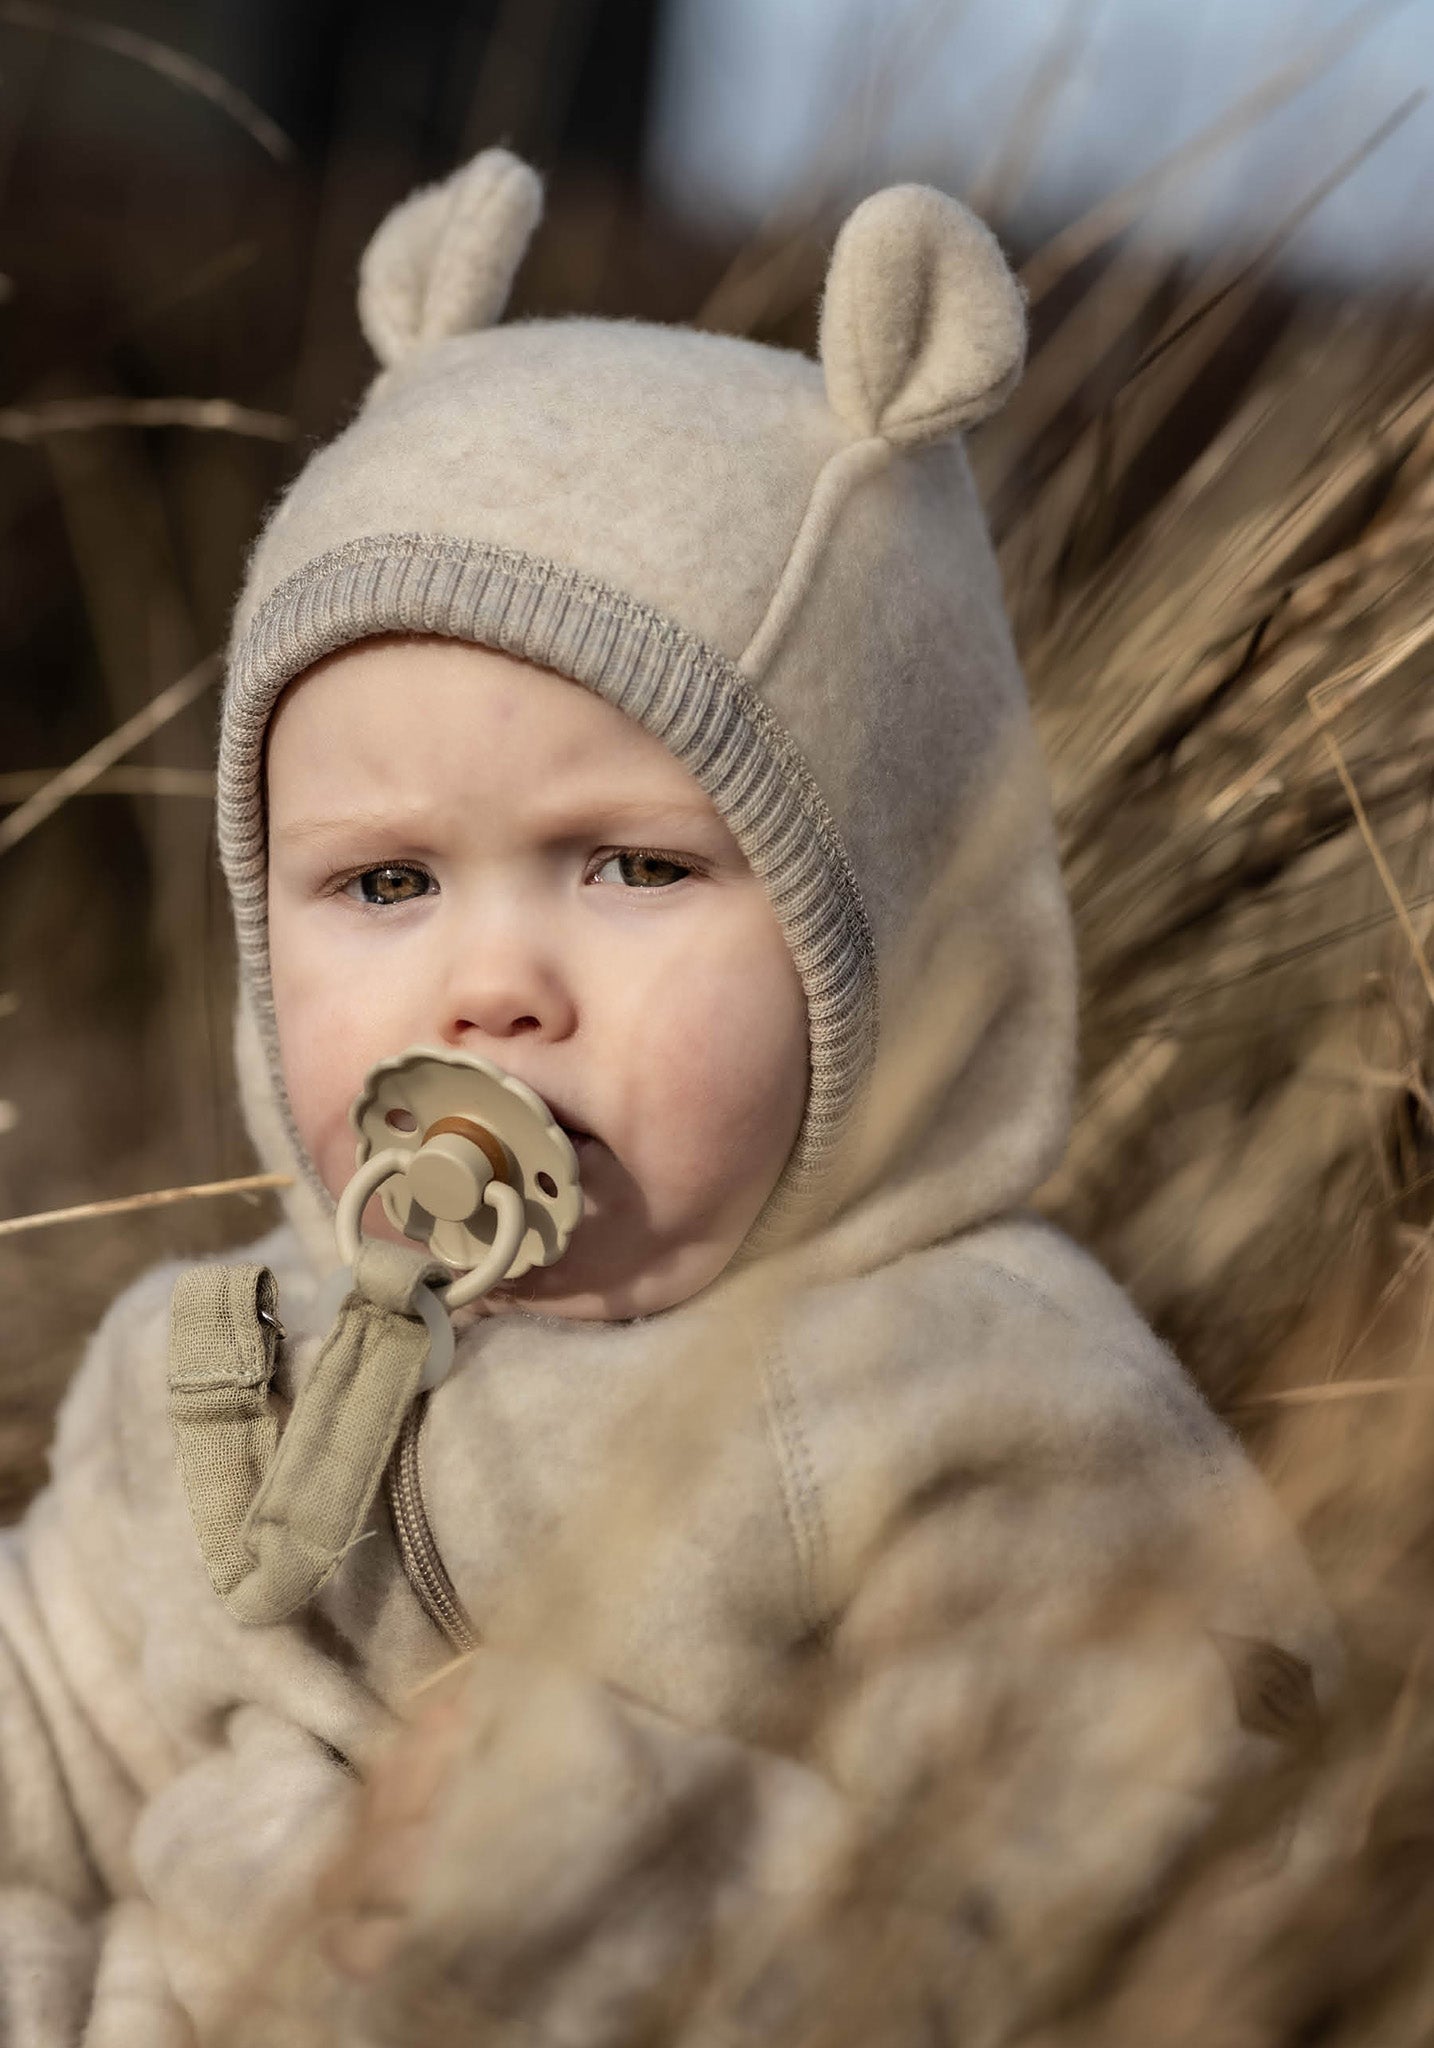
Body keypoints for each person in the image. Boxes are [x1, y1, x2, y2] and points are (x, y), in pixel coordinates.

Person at [0, 149, 1336, 2047]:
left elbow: (1177, 1884)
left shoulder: (973, 1408)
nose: (492, 986)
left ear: (889, 929)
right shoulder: (208, 1371)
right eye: (384, 884)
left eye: (630, 867)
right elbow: (46, 1736)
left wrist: (651, 1863)